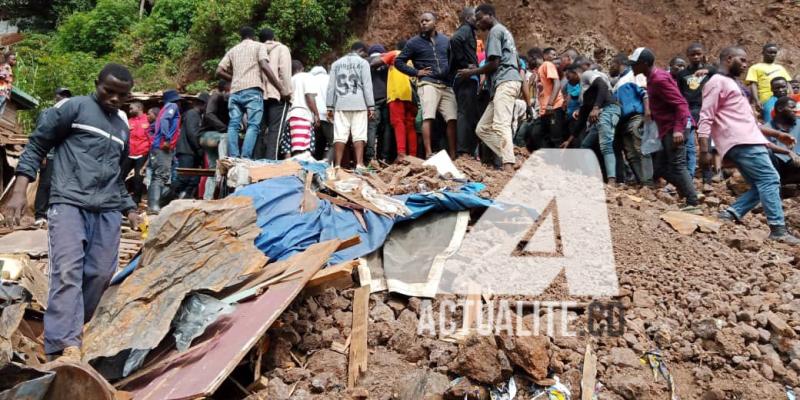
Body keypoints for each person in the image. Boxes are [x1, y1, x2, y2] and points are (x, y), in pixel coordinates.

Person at [2, 63, 143, 362]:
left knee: (101, 274)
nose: (115, 99)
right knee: (68, 272)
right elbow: (38, 145)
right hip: (69, 203)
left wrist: (130, 209)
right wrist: (18, 192)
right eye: (109, 91)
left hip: (106, 210)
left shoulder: (121, 125)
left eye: (122, 95)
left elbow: (116, 176)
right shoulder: (75, 108)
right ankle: (62, 347)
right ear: (96, 84)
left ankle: (70, 334)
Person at [700, 47, 799, 243]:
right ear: (729, 59)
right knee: (770, 180)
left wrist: (778, 135)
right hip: (742, 142)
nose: (746, 65)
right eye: (742, 60)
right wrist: (704, 150)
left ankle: (731, 213)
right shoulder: (717, 82)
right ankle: (778, 230)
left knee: (760, 184)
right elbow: (705, 116)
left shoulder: (731, 84)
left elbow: (750, 124)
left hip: (747, 140)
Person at [630, 47, 700, 211]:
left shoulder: (659, 78)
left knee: (677, 165)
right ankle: (687, 191)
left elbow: (681, 104)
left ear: (645, 63)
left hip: (676, 126)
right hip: (666, 127)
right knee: (660, 167)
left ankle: (693, 202)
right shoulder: (651, 77)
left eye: (635, 63)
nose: (632, 66)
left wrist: (677, 129)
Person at [456, 4, 522, 173]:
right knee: (482, 128)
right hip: (502, 84)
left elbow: (494, 64)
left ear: (490, 15)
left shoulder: (495, 32)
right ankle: (511, 158)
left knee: (501, 125)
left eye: (480, 18)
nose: (478, 23)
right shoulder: (503, 31)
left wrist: (471, 72)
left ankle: (508, 166)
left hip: (505, 81)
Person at [216, 26, 286, 159]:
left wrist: (234, 78)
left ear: (241, 37)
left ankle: (233, 157)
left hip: (235, 92)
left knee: (234, 125)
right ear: (253, 37)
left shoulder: (233, 50)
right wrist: (280, 87)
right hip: (253, 91)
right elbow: (265, 66)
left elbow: (218, 70)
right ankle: (245, 157)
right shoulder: (259, 46)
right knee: (253, 125)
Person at [395, 12, 457, 159]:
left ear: (434, 23)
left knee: (452, 118)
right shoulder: (413, 42)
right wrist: (416, 72)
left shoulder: (445, 40)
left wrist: (451, 73)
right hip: (428, 83)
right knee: (428, 117)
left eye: (427, 20)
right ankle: (429, 153)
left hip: (446, 84)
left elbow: (453, 59)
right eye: (421, 21)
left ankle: (454, 155)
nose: (423, 23)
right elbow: (398, 62)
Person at [561, 61, 621, 183]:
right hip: (598, 115)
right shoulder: (582, 93)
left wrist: (596, 107)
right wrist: (569, 140)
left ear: (575, 72)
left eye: (568, 76)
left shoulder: (586, 75)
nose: (568, 80)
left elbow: (602, 86)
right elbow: (582, 117)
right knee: (585, 145)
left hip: (608, 109)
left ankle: (612, 180)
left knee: (606, 145)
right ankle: (594, 177)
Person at [327, 42, 375, 171]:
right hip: (359, 103)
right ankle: (359, 164)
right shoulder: (363, 63)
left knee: (340, 135)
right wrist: (371, 106)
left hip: (341, 104)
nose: (365, 56)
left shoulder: (336, 64)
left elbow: (331, 87)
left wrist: (329, 106)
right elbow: (367, 86)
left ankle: (337, 165)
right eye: (364, 54)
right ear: (361, 51)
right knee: (359, 134)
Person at [677, 43, 716, 189]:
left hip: (704, 110)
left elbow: (719, 72)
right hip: (687, 111)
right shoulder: (682, 74)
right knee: (686, 142)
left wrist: (707, 69)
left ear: (703, 54)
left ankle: (707, 180)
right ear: (687, 55)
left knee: (705, 144)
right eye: (692, 54)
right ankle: (687, 178)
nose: (695, 57)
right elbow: (679, 94)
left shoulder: (710, 71)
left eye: (698, 54)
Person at [610, 53, 652, 185]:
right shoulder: (618, 82)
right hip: (623, 122)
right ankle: (642, 181)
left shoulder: (634, 75)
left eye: (612, 64)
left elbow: (645, 94)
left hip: (636, 117)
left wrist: (647, 112)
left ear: (618, 63)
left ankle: (648, 183)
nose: (610, 67)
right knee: (631, 154)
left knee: (641, 150)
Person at [33, 87, 73, 225]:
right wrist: (41, 155)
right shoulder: (47, 113)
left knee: (60, 185)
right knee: (45, 184)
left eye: (66, 95)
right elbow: (39, 136)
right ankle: (40, 215)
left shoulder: (70, 114)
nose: (63, 97)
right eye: (61, 94)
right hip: (49, 155)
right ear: (55, 97)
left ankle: (52, 213)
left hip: (63, 158)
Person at [375, 41, 418, 161]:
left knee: (398, 123)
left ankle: (401, 154)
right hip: (411, 96)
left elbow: (375, 63)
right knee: (410, 126)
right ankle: (413, 156)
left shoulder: (395, 53)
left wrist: (384, 55)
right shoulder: (413, 58)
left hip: (397, 94)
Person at [448, 7, 480, 158]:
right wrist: (464, 64)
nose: (478, 19)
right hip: (466, 78)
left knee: (466, 113)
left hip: (464, 78)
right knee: (464, 114)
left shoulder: (468, 31)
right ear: (468, 18)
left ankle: (465, 149)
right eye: (475, 17)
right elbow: (455, 40)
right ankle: (463, 151)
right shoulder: (466, 29)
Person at [258, 28, 293, 160]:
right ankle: (270, 161)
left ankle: (256, 160)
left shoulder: (257, 49)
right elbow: (284, 71)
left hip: (259, 95)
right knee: (275, 131)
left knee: (259, 131)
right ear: (274, 37)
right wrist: (287, 92)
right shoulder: (282, 48)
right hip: (277, 95)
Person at [167, 92, 208, 203]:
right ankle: (164, 200)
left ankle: (184, 200)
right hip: (187, 151)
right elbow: (192, 134)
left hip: (192, 152)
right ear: (202, 104)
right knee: (183, 178)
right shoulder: (192, 114)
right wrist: (200, 149)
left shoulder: (198, 116)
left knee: (193, 180)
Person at [146, 89, 181, 214]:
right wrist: (167, 138)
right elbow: (164, 120)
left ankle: (155, 205)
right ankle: (153, 206)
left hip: (159, 147)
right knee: (161, 176)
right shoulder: (172, 106)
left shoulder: (164, 107)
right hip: (163, 146)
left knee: (160, 175)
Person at [285, 60, 320, 156]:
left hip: (289, 116)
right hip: (302, 115)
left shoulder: (289, 80)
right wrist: (316, 114)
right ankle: (298, 169)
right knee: (301, 148)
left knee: (289, 147)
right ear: (302, 68)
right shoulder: (307, 76)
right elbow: (309, 96)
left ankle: (287, 169)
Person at [745, 44, 791, 113]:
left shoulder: (780, 68)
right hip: (766, 100)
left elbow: (788, 83)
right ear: (763, 53)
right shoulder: (755, 68)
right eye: (770, 52)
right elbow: (753, 85)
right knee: (769, 119)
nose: (773, 55)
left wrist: (792, 97)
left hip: (783, 99)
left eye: (774, 53)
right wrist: (756, 100)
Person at [120, 100, 150, 208]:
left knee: (138, 178)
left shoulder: (148, 120)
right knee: (121, 176)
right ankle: (119, 197)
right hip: (129, 153)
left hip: (142, 153)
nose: (130, 110)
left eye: (132, 108)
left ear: (139, 108)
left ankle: (136, 201)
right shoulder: (129, 121)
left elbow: (151, 137)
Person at [535, 47, 566, 148]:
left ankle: (559, 163)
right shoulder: (545, 66)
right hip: (548, 108)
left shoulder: (548, 64)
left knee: (555, 137)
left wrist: (550, 104)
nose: (555, 56)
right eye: (553, 54)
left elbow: (557, 84)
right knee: (549, 137)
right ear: (545, 56)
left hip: (553, 107)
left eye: (555, 54)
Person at [766, 96, 800, 184]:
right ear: (780, 109)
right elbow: (766, 146)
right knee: (767, 151)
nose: (796, 110)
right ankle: (777, 182)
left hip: (797, 162)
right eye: (792, 107)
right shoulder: (767, 128)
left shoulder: (799, 123)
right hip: (780, 167)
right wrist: (788, 153)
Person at [366, 44, 391, 162]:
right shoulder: (387, 61)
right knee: (386, 128)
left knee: (372, 128)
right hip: (387, 98)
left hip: (372, 100)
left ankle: (370, 158)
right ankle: (384, 157)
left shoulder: (365, 62)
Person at [310, 66, 333, 161]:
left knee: (317, 145)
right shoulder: (329, 79)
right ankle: (327, 164)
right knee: (333, 143)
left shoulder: (310, 80)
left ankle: (314, 166)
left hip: (314, 116)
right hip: (327, 115)